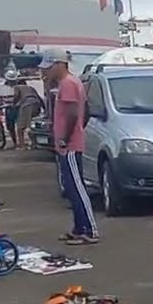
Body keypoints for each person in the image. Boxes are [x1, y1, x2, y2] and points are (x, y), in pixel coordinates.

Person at [41, 52, 99, 245]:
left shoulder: (68, 84)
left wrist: (66, 138)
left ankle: (90, 230)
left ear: (60, 65)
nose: (46, 71)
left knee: (77, 187)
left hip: (70, 146)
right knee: (71, 188)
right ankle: (78, 228)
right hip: (66, 144)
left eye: (49, 67)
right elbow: (85, 111)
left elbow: (74, 113)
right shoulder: (69, 83)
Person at [13, 79, 44, 149]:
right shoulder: (30, 88)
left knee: (20, 127)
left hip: (26, 105)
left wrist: (13, 104)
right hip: (36, 104)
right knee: (32, 125)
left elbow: (16, 96)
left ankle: (22, 146)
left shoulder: (17, 87)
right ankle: (34, 143)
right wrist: (44, 109)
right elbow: (40, 98)